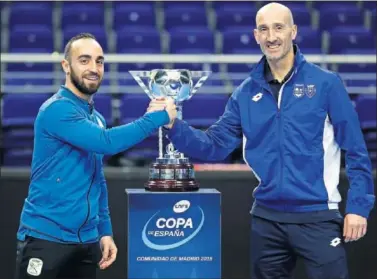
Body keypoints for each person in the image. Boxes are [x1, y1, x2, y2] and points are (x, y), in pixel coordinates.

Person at [156, 2, 375, 279]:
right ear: (256, 35)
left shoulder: (326, 84)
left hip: (318, 216)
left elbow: (355, 149)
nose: (271, 36)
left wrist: (358, 207)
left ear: (293, 31)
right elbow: (214, 145)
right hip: (267, 219)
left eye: (278, 27)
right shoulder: (245, 93)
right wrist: (174, 125)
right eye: (264, 29)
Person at [14, 33, 176, 279]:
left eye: (99, 61)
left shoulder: (96, 118)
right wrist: (159, 117)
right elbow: (107, 142)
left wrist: (104, 231)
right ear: (66, 66)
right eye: (84, 60)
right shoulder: (57, 109)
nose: (93, 68)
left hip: (87, 243)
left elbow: (97, 179)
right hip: (46, 240)